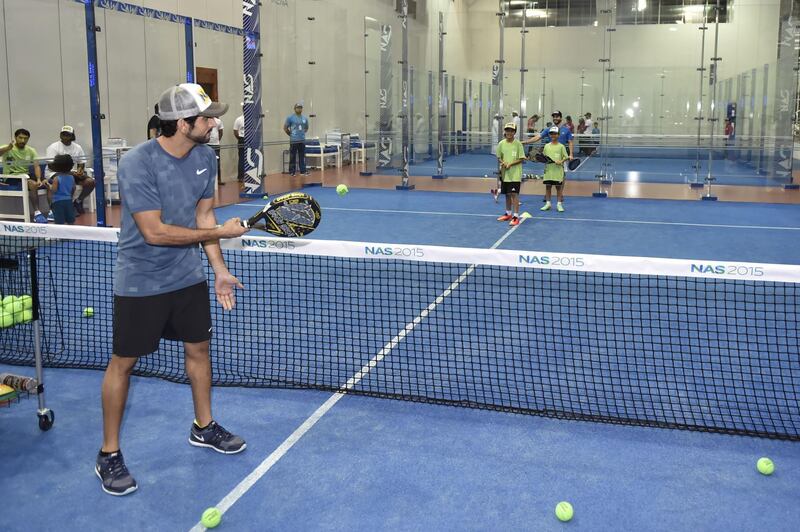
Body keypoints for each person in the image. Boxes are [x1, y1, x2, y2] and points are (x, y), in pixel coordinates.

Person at [96, 83, 249, 497]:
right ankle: (109, 453)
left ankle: (204, 426)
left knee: (199, 350)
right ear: (182, 124)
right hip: (141, 281)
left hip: (188, 278)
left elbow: (204, 215)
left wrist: (218, 268)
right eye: (207, 118)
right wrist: (220, 232)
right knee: (123, 363)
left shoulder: (204, 157)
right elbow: (154, 231)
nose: (215, 123)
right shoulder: (137, 163)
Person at [44, 125, 95, 216]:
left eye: (68, 135)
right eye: (63, 134)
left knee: (90, 182)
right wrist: (70, 173)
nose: (65, 137)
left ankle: (78, 201)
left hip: (71, 173)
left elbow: (81, 162)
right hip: (54, 173)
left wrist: (80, 170)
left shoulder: (77, 147)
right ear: (60, 135)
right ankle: (67, 207)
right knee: (68, 180)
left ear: (72, 136)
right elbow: (51, 166)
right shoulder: (53, 147)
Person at [0, 128, 47, 220]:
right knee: (32, 184)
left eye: (25, 138)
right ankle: (37, 212)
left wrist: (38, 179)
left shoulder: (31, 150)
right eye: (20, 138)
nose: (23, 140)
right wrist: (8, 148)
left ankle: (44, 212)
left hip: (26, 176)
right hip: (11, 177)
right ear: (15, 137)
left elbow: (36, 166)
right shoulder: (7, 148)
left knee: (44, 182)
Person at [496, 122, 525, 227]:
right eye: (507, 130)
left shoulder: (518, 144)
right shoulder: (501, 144)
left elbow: (522, 158)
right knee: (507, 194)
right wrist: (503, 162)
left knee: (514, 194)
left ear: (514, 132)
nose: (509, 132)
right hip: (505, 174)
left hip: (515, 174)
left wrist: (511, 164)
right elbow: (499, 157)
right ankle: (508, 214)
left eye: (511, 130)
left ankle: (516, 217)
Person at [540, 126, 568, 213]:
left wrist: (561, 161)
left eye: (555, 134)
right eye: (551, 134)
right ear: (549, 135)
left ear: (558, 135)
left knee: (558, 188)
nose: (553, 135)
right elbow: (544, 157)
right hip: (548, 171)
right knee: (548, 187)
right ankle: (548, 204)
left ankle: (559, 204)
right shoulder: (546, 146)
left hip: (558, 171)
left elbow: (566, 157)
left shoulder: (561, 147)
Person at [47, 154, 76, 225]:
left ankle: (59, 235)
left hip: (58, 202)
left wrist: (48, 186)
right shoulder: (72, 177)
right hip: (68, 201)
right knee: (70, 220)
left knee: (59, 221)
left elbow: (54, 190)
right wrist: (70, 197)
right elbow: (73, 188)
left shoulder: (56, 178)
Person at [284, 103, 310, 176]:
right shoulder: (290, 118)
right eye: (298, 108)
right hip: (294, 141)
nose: (299, 109)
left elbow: (306, 128)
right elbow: (285, 128)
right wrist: (291, 135)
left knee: (302, 156)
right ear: (294, 109)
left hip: (302, 140)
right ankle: (292, 171)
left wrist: (301, 134)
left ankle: (303, 171)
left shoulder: (304, 118)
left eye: (300, 108)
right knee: (293, 156)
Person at [208, 117, 224, 185]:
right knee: (207, 163)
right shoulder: (205, 120)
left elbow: (221, 132)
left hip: (215, 145)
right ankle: (209, 181)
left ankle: (218, 180)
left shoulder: (218, 121)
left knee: (217, 162)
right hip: (206, 144)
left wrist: (217, 141)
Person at [233, 110, 245, 182]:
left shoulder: (253, 119)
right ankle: (241, 177)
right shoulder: (239, 119)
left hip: (251, 139)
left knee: (251, 158)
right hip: (242, 139)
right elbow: (235, 131)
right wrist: (240, 139)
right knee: (242, 158)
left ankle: (250, 176)